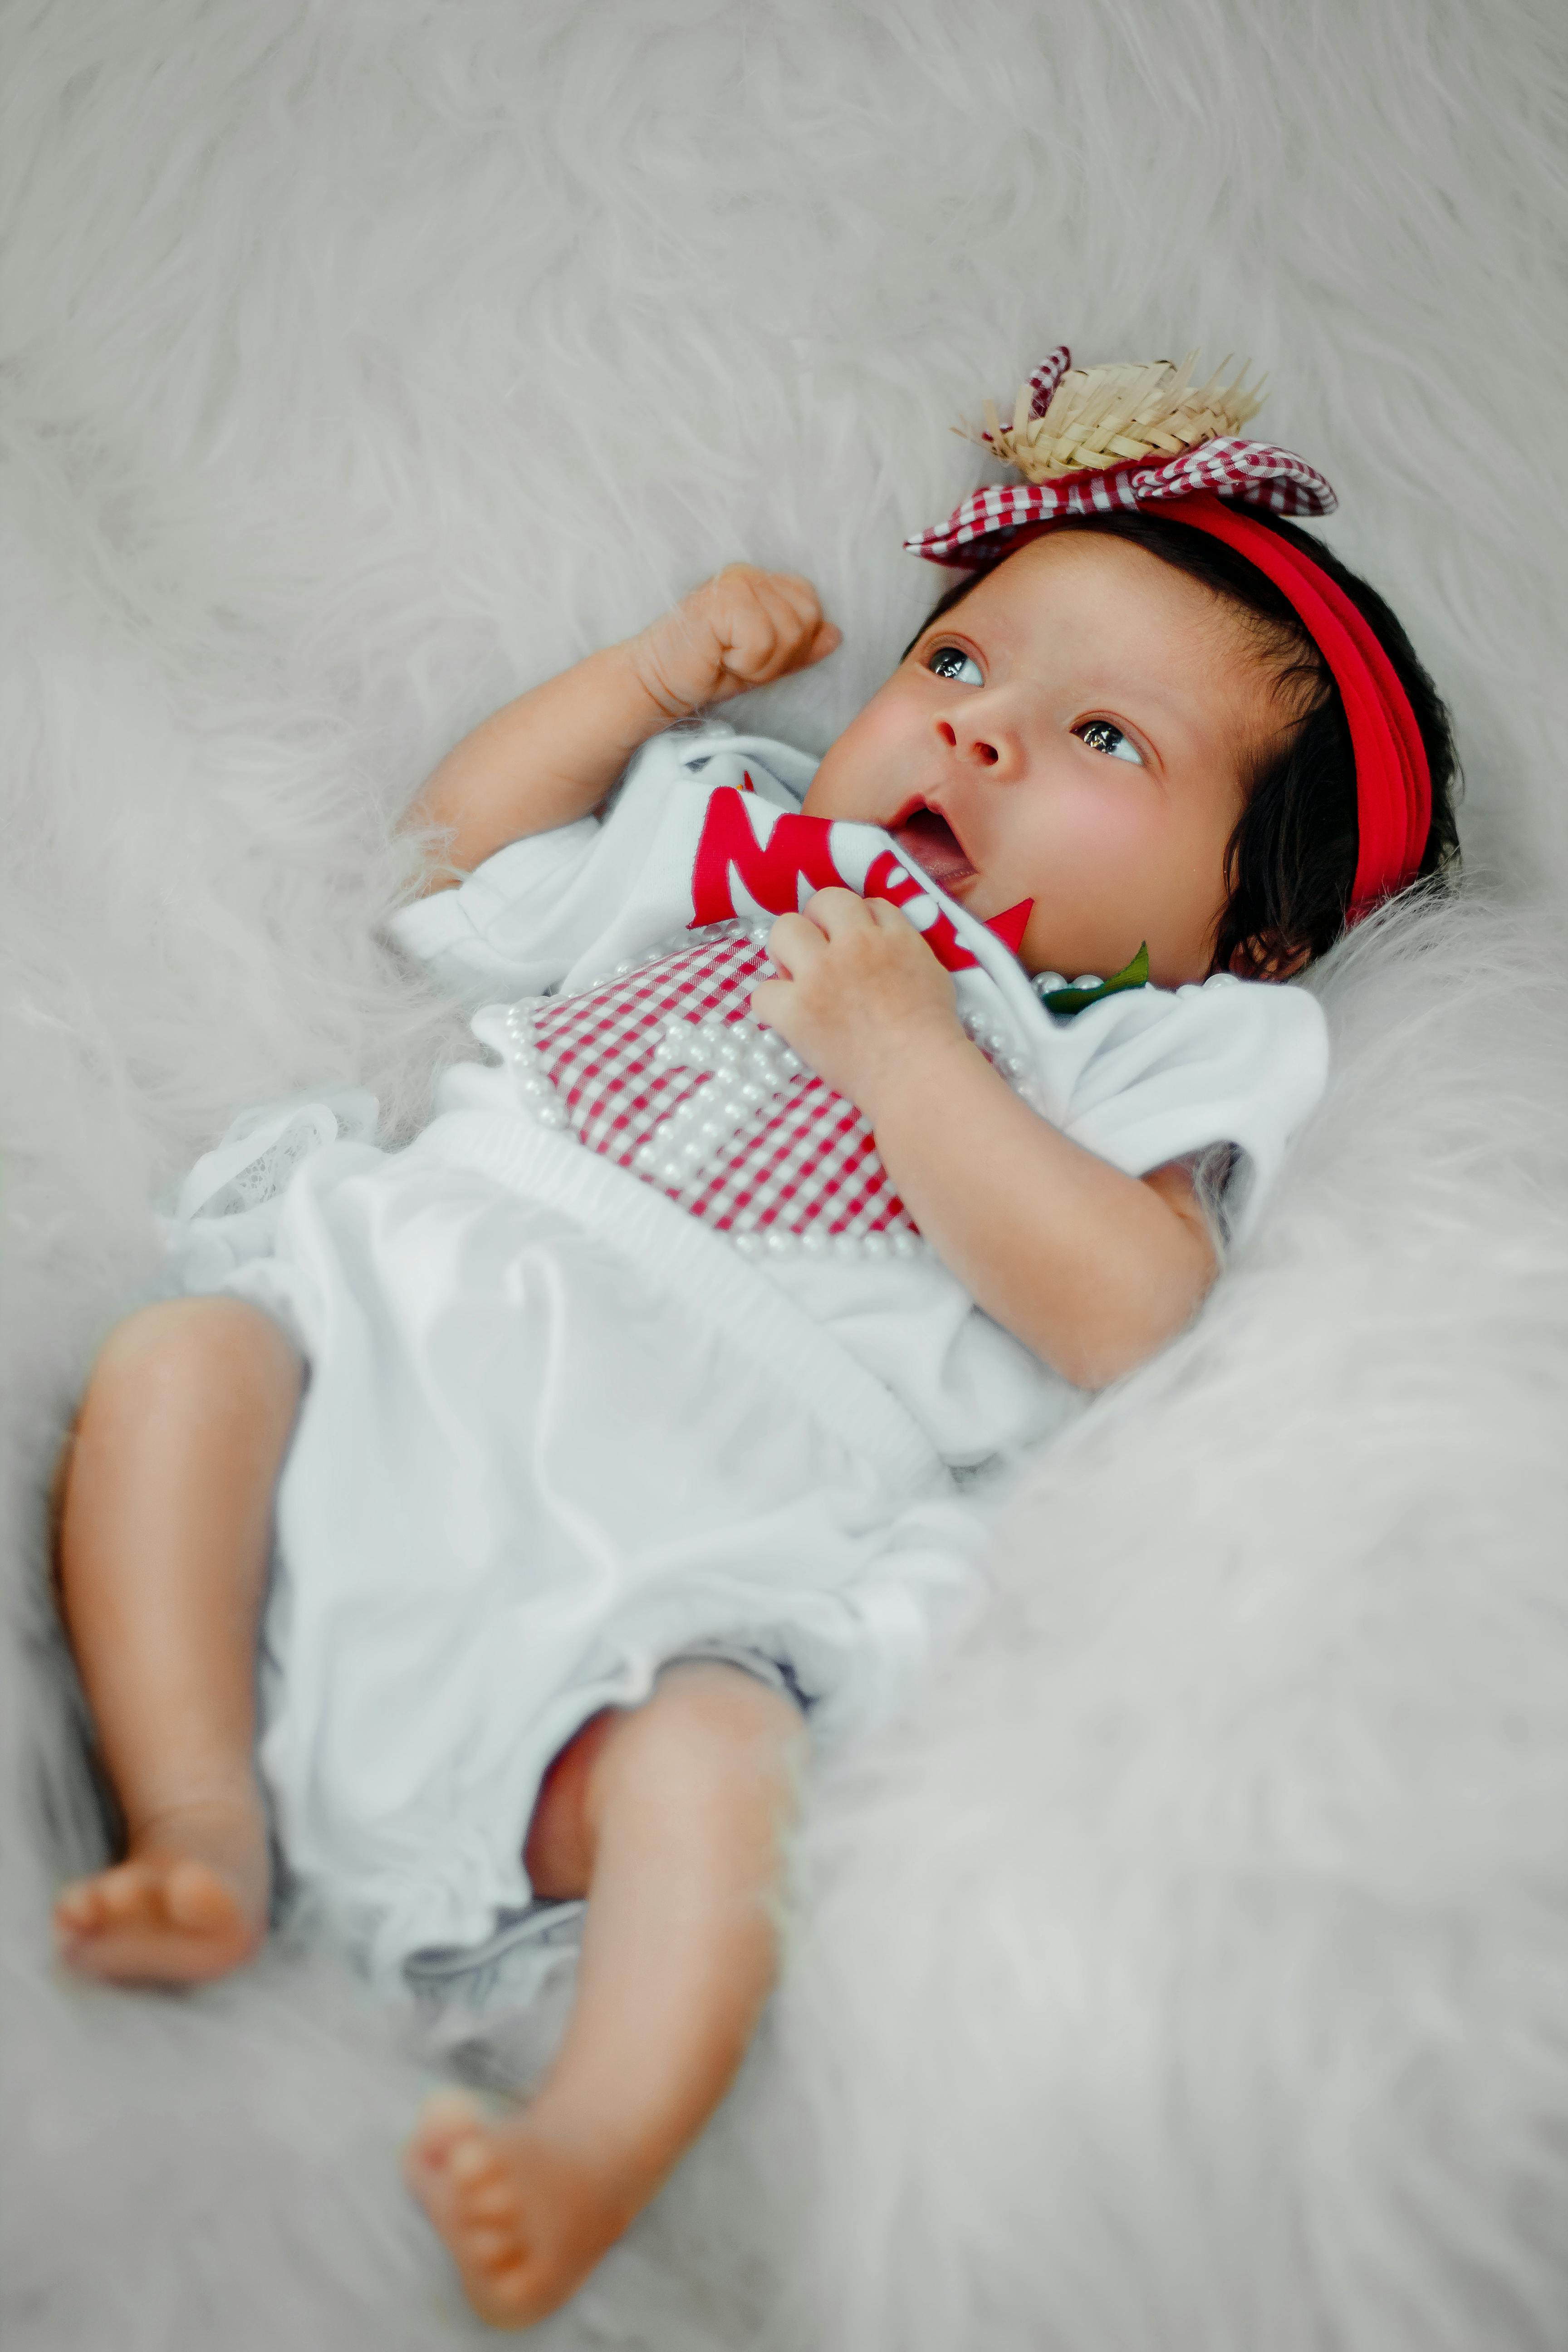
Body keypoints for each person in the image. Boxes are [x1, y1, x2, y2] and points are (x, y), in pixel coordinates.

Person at [49, 356, 1458, 2328]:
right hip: (408, 1344)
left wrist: (906, 1052)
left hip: (674, 1534)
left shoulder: (1144, 1040)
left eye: (1101, 738)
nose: (973, 737)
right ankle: (194, 1806)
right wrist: (646, 684)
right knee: (187, 1364)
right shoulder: (737, 838)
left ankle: (600, 2133)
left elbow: (1132, 1308)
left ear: (1261, 930)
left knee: (722, 1754)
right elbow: (450, 860)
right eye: (960, 665)